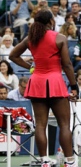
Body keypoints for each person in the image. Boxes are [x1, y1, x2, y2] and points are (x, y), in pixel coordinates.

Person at [9, 10, 77, 167]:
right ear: (51, 21)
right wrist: (74, 86)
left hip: (37, 82)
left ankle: (44, 160)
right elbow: (67, 64)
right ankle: (70, 162)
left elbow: (13, 55)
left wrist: (31, 66)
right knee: (64, 124)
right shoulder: (60, 38)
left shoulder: (30, 39)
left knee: (40, 124)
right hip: (55, 83)